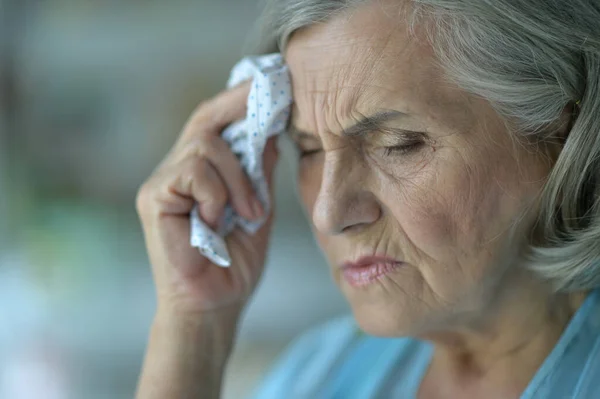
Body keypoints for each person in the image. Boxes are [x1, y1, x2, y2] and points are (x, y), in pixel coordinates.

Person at [134, 0, 600, 397]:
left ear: (558, 126)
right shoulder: (318, 372)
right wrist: (194, 327)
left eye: (398, 143)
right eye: (310, 149)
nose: (328, 213)